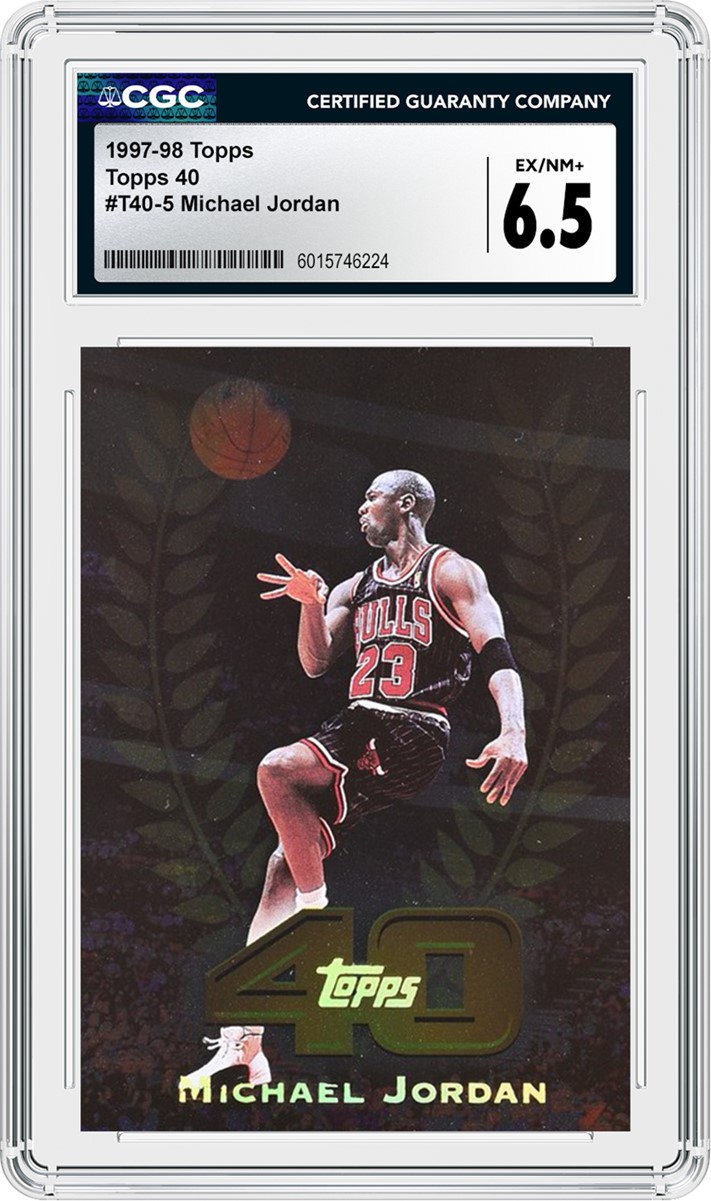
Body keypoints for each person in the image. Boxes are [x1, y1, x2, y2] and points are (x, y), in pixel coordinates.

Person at [184, 469, 527, 1088]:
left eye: (371, 497)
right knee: (283, 867)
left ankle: (316, 922)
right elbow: (316, 662)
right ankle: (246, 1040)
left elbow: (496, 651)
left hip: (412, 726)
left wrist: (514, 730)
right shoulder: (357, 585)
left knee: (277, 769)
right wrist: (311, 605)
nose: (361, 507)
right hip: (360, 725)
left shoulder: (451, 571)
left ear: (405, 503)